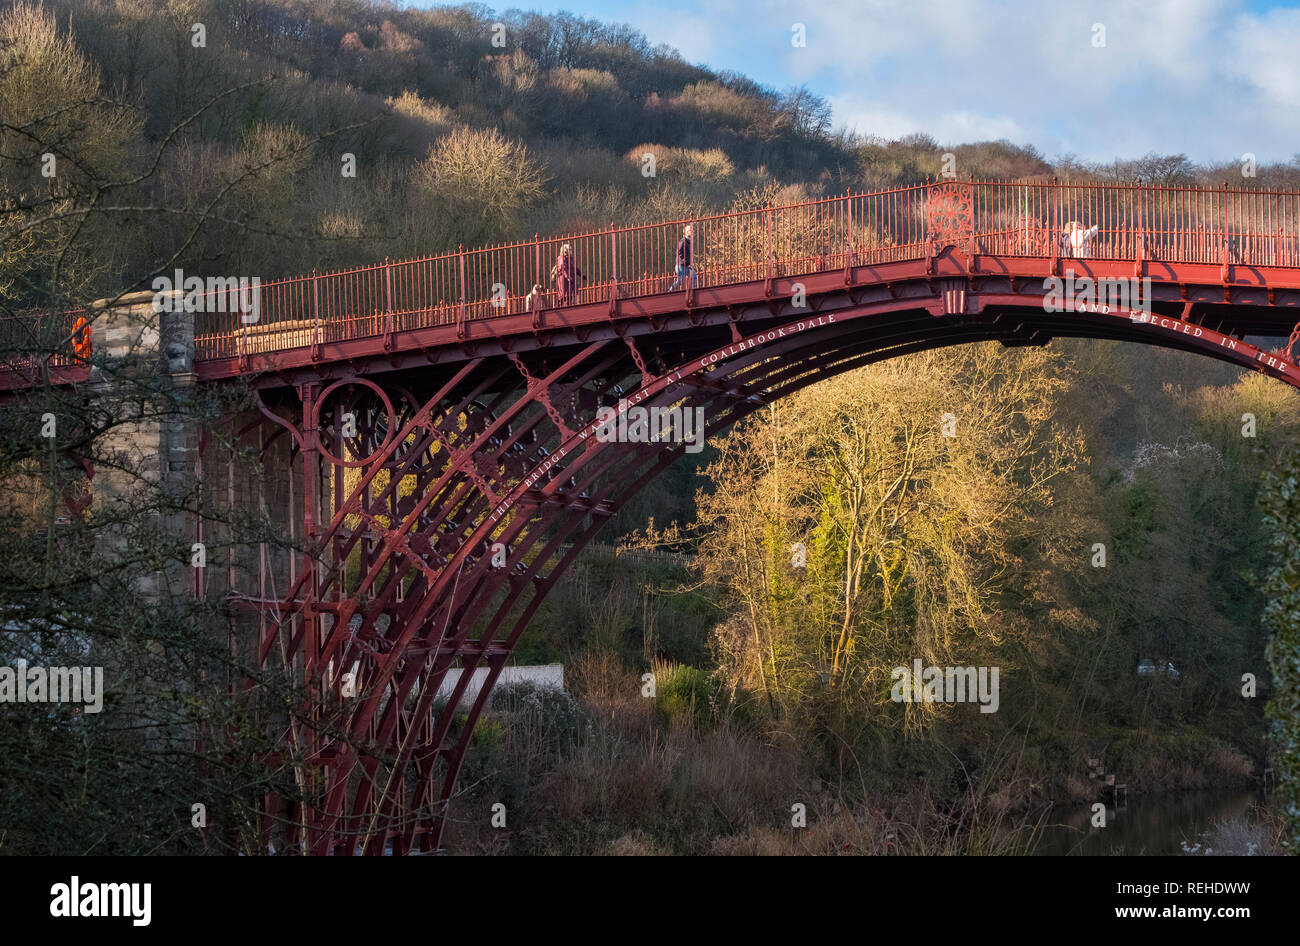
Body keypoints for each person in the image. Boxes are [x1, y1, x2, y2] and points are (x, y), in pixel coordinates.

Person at [669, 224, 694, 290]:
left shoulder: (689, 241)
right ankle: (671, 290)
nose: (693, 232)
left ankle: (694, 291)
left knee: (694, 276)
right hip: (681, 265)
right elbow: (679, 251)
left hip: (687, 265)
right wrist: (684, 260)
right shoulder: (683, 241)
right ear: (687, 232)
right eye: (691, 230)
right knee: (680, 281)